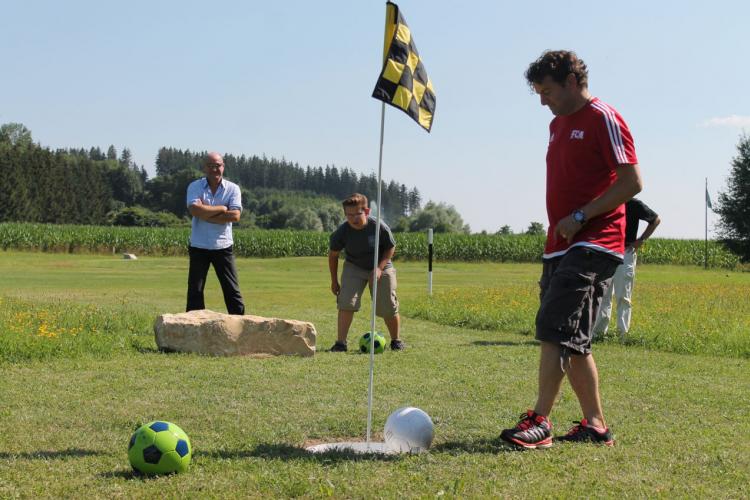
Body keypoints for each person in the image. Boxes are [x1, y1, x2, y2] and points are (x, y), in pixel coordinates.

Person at [500, 50, 643, 449]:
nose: (542, 101)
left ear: (571, 81)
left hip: (595, 241)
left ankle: (540, 421)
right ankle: (596, 426)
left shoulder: (604, 118)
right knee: (573, 338)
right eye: (538, 93)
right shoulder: (556, 124)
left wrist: (581, 215)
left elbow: (632, 182)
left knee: (553, 327)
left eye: (546, 91)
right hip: (559, 244)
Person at [328, 193, 404, 352]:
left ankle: (396, 341)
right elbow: (333, 255)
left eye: (357, 214)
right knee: (346, 302)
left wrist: (379, 268)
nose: (353, 218)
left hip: (381, 265)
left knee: (387, 306)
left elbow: (391, 247)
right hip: (354, 266)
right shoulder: (342, 231)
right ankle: (340, 343)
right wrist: (334, 281)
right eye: (349, 215)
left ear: (367, 211)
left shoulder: (378, 226)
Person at [185, 152, 245, 315]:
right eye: (210, 166)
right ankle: (193, 327)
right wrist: (221, 209)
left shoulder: (233, 189)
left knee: (232, 291)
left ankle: (240, 327)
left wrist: (206, 213)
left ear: (223, 167)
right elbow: (195, 210)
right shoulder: (194, 186)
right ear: (204, 168)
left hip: (223, 246)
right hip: (199, 246)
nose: (214, 169)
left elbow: (235, 216)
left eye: (217, 165)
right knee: (195, 291)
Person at [593, 198, 660, 340]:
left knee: (623, 296)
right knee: (603, 294)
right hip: (606, 252)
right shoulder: (606, 201)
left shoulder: (633, 204)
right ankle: (598, 333)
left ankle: (622, 335)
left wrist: (640, 240)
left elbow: (655, 220)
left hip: (625, 252)